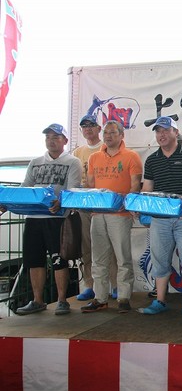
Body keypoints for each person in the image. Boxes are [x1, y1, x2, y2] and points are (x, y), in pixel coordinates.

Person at [6, 124, 82, 315]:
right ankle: (37, 300)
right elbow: (25, 187)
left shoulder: (73, 162)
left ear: (65, 140)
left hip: (57, 218)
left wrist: (61, 202)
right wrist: (7, 203)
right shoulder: (35, 162)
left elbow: (73, 188)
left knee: (59, 259)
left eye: (56, 137)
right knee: (34, 260)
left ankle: (62, 300)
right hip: (33, 217)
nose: (51, 140)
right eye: (48, 137)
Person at [139, 116, 182, 316]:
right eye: (158, 131)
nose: (162, 135)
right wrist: (141, 207)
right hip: (160, 219)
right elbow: (147, 188)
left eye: (166, 130)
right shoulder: (152, 160)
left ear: (176, 132)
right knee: (159, 260)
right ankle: (160, 300)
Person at [80, 120, 143, 314]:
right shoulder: (94, 158)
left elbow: (135, 186)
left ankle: (124, 297)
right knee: (98, 258)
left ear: (121, 135)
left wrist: (125, 203)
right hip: (98, 214)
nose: (108, 136)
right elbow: (90, 186)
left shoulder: (131, 156)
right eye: (106, 133)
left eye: (113, 133)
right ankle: (100, 298)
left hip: (120, 215)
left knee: (122, 257)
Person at [73, 113, 118, 301]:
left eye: (91, 125)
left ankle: (115, 284)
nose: (88, 129)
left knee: (111, 246)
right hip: (84, 205)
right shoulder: (77, 153)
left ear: (99, 129)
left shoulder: (107, 147)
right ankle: (89, 285)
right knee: (87, 247)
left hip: (104, 205)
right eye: (84, 126)